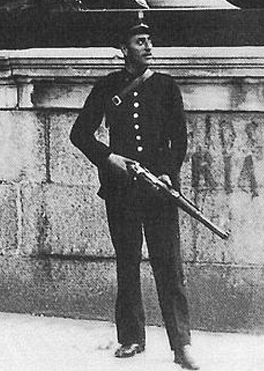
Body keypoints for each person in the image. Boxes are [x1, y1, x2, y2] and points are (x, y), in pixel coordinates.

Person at [70, 20, 198, 369]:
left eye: (149, 40)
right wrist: (108, 158)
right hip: (121, 191)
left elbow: (179, 140)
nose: (148, 46)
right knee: (127, 264)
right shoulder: (107, 87)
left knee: (169, 266)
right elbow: (79, 134)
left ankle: (181, 344)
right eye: (139, 41)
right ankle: (130, 338)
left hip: (159, 190)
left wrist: (168, 176)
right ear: (123, 48)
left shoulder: (166, 86)